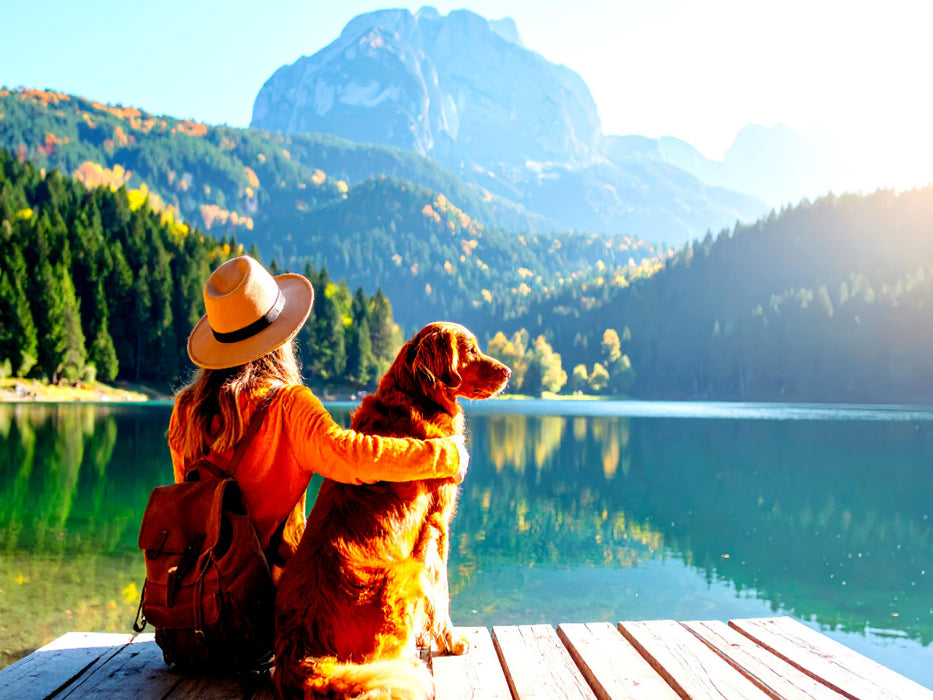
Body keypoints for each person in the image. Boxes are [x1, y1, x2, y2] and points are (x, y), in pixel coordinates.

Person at [168, 254, 468, 580]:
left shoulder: (187, 409)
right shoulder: (287, 406)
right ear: (280, 339)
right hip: (262, 608)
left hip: (195, 604)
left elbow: (189, 506)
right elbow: (355, 457)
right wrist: (445, 454)